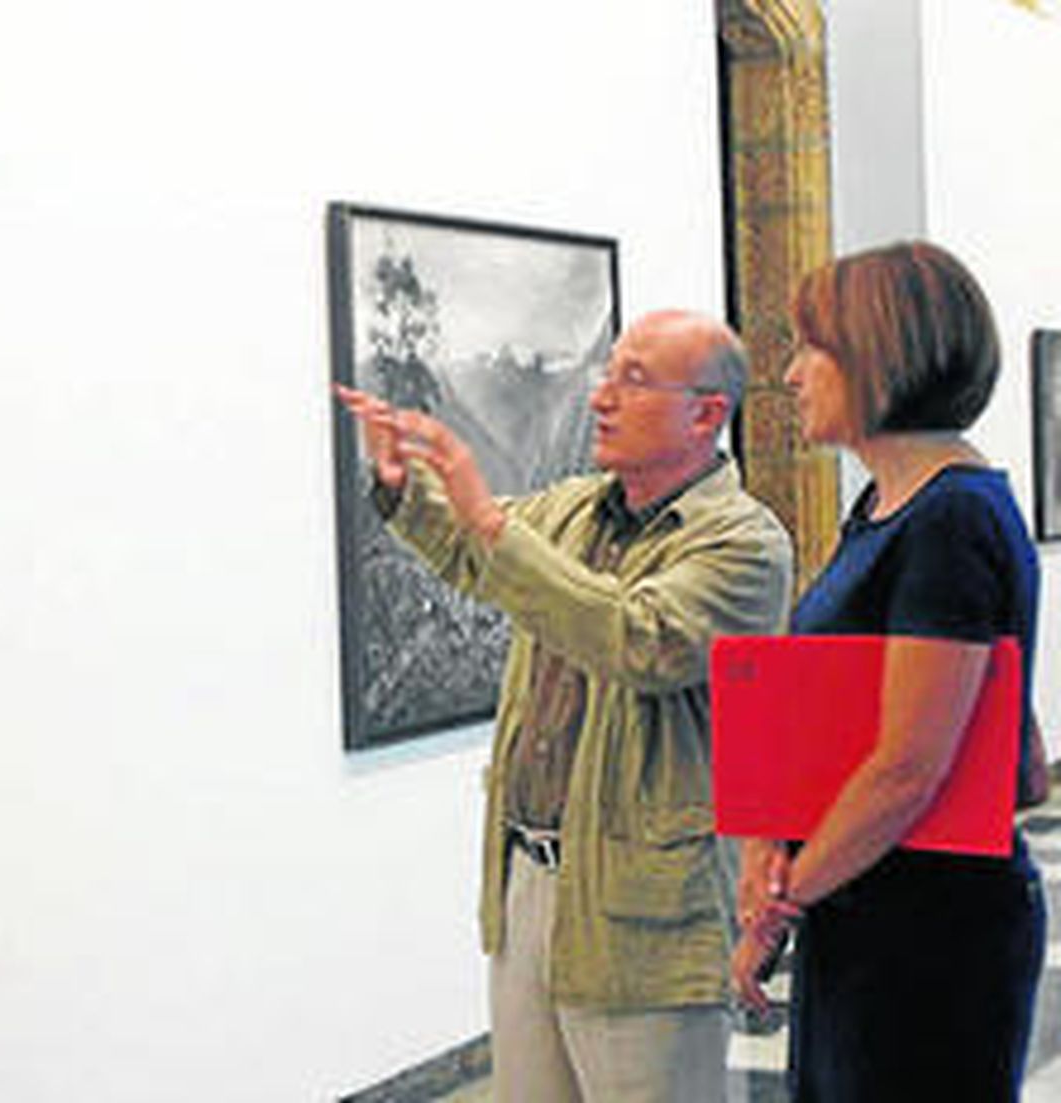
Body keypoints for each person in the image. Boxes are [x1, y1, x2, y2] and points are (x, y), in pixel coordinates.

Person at [337, 309, 792, 1103]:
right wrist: (403, 490)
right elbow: (481, 556)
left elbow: (638, 638)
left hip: (646, 904)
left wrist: (485, 517)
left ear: (707, 414)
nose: (600, 397)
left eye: (634, 379)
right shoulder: (577, 508)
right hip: (529, 878)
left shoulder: (744, 542)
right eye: (607, 372)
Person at [730, 242, 1046, 1101]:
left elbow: (909, 762)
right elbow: (828, 706)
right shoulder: (882, 504)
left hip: (933, 926)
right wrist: (771, 845)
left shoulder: (951, 516)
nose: (790, 375)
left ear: (881, 354)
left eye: (809, 349)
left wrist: (776, 903)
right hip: (867, 900)